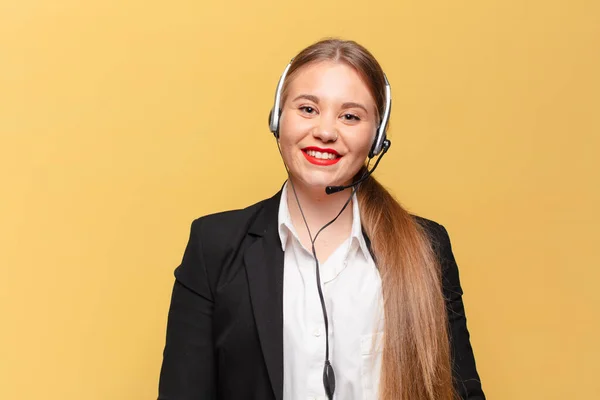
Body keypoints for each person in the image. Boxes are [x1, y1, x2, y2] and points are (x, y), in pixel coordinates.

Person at [158, 38, 485, 400]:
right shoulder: (214, 245)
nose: (326, 132)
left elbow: (462, 392)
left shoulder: (427, 246)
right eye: (308, 109)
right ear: (277, 118)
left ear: (377, 138)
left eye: (350, 116)